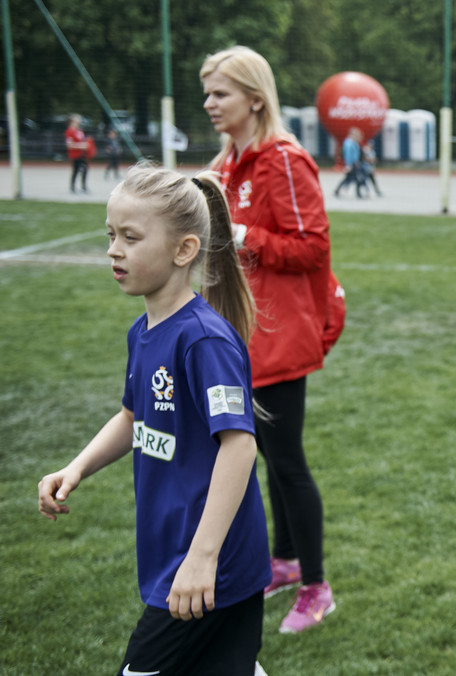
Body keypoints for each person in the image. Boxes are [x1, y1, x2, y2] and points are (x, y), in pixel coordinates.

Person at [37, 163, 270, 675]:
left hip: (211, 562)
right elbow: (131, 416)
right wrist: (77, 468)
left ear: (183, 250)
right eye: (111, 235)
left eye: (130, 237)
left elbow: (239, 445)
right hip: (176, 555)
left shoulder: (203, 340)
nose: (113, 250)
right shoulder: (143, 331)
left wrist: (203, 556)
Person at [201, 45, 336, 634]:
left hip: (278, 338)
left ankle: (317, 587)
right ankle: (282, 562)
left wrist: (240, 232)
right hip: (238, 336)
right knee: (261, 459)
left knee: (287, 461)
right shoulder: (224, 163)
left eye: (220, 93)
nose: (209, 103)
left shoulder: (283, 158)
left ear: (255, 98)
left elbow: (312, 248)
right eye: (207, 93)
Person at [333, 127, 364, 198]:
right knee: (357, 177)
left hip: (354, 163)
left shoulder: (354, 143)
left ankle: (338, 190)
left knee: (349, 178)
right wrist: (349, 164)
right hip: (352, 163)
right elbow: (349, 155)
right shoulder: (349, 144)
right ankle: (358, 193)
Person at [65, 113, 90, 194]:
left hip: (82, 154)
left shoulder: (79, 131)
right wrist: (81, 146)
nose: (79, 122)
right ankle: (72, 187)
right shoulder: (69, 131)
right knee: (76, 170)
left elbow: (82, 140)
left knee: (85, 169)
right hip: (75, 154)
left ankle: (84, 187)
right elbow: (69, 145)